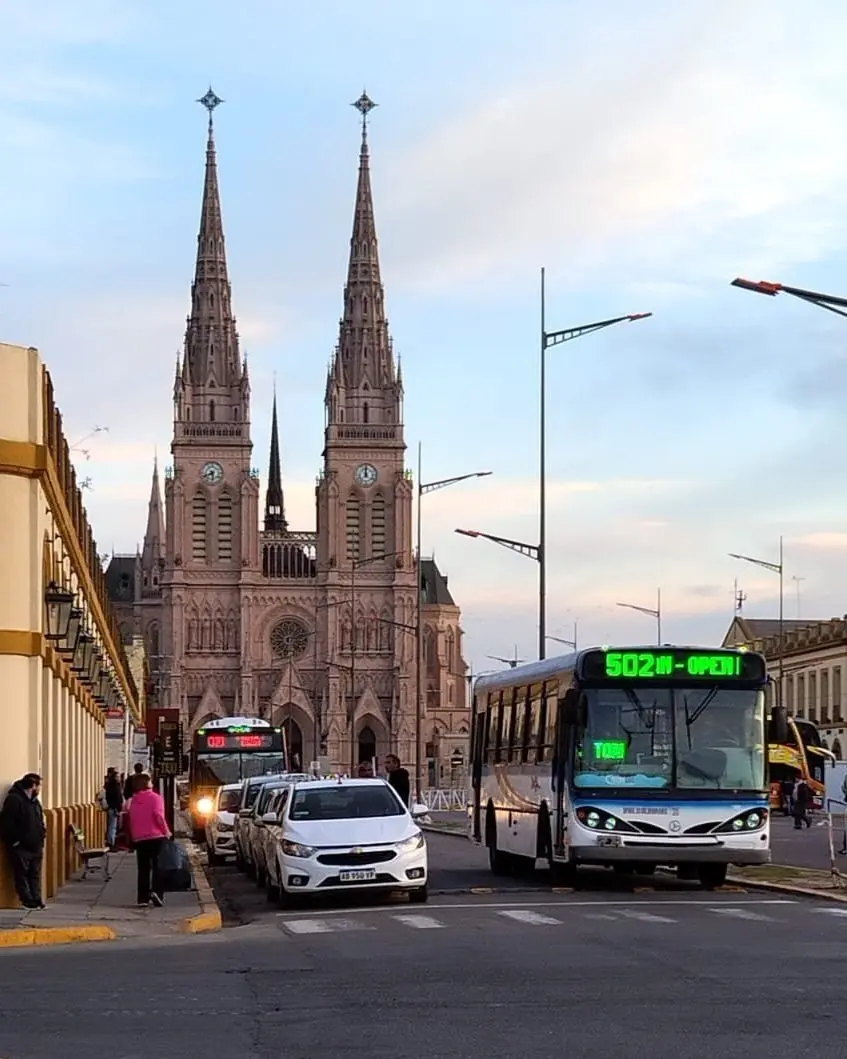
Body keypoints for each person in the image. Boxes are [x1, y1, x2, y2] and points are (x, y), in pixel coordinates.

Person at [0, 773, 47, 910]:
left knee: (35, 874)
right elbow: (7, 823)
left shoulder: (35, 802)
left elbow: (40, 820)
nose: (39, 789)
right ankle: (27, 899)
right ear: (33, 785)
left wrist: (42, 834)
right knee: (22, 874)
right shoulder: (14, 799)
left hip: (35, 845)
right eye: (38, 786)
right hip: (21, 846)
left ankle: (36, 898)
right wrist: (15, 842)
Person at [127, 773, 171, 907]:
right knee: (158, 866)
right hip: (156, 836)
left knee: (143, 868)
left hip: (139, 838)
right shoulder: (156, 798)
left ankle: (142, 898)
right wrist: (166, 831)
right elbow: (158, 816)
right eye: (150, 781)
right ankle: (157, 892)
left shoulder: (133, 800)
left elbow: (130, 818)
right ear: (147, 783)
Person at [104, 768, 124, 849]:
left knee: (112, 826)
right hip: (114, 808)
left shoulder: (110, 786)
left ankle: (111, 841)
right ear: (114, 777)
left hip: (111, 807)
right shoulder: (116, 787)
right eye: (117, 776)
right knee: (113, 826)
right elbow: (118, 798)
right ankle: (111, 843)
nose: (119, 778)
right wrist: (119, 808)